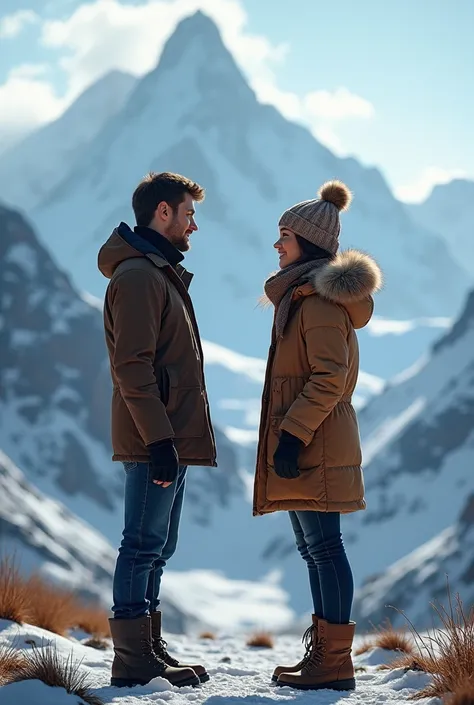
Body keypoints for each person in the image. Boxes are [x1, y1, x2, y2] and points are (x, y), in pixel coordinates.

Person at [254, 181, 382, 691]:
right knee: (315, 550)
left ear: (307, 243)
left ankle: (333, 663)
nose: (277, 244)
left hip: (316, 441)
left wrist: (292, 435)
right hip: (311, 440)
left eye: (284, 235)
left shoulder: (319, 303)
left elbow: (330, 376)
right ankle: (324, 657)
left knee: (325, 549)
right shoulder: (302, 297)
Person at [98, 171, 217, 689]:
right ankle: (133, 660)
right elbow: (132, 367)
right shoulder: (140, 278)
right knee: (142, 542)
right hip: (156, 438)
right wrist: (160, 440)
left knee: (157, 545)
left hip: (165, 435)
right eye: (189, 214)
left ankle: (147, 649)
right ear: (162, 212)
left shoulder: (158, 272)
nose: (194, 225)